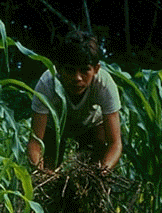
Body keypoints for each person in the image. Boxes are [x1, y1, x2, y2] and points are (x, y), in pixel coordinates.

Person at [27, 29, 122, 175]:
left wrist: (102, 172)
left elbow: (115, 144)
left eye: (84, 71)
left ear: (96, 69)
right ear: (59, 69)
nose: (77, 78)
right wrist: (41, 173)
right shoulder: (47, 83)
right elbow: (35, 143)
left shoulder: (104, 84)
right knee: (48, 165)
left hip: (91, 125)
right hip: (55, 126)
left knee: (92, 167)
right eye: (70, 71)